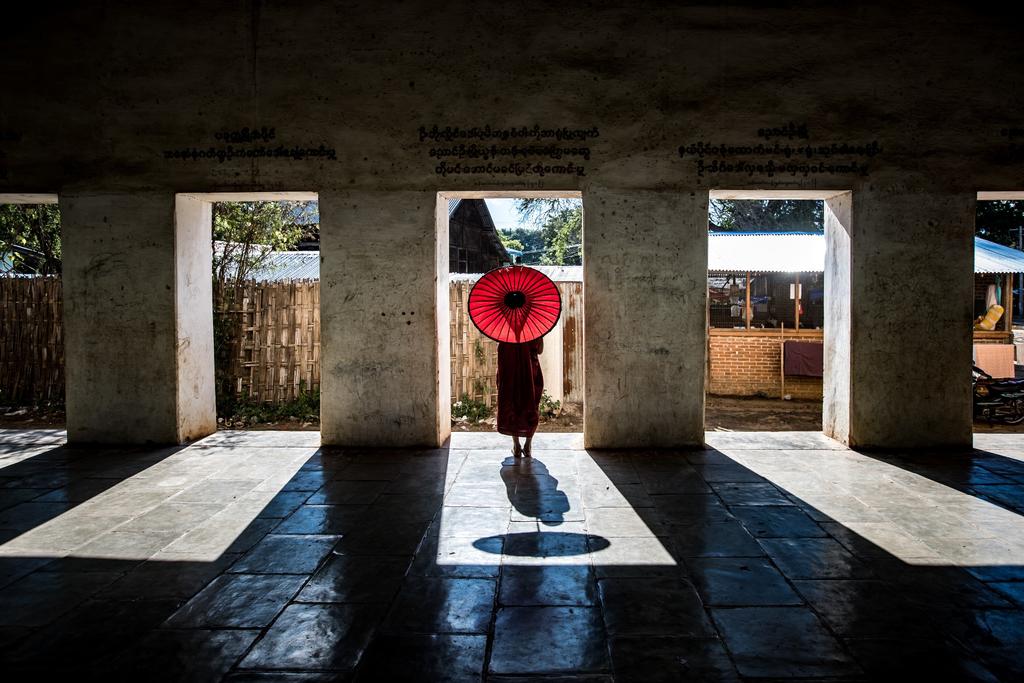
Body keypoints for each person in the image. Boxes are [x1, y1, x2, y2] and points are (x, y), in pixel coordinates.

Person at [496, 336, 544, 459]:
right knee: (531, 406)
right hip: (530, 375)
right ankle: (528, 446)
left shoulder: (506, 331)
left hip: (510, 374)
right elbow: (539, 351)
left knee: (513, 406)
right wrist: (540, 337)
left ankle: (516, 446)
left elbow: (500, 350)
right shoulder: (533, 330)